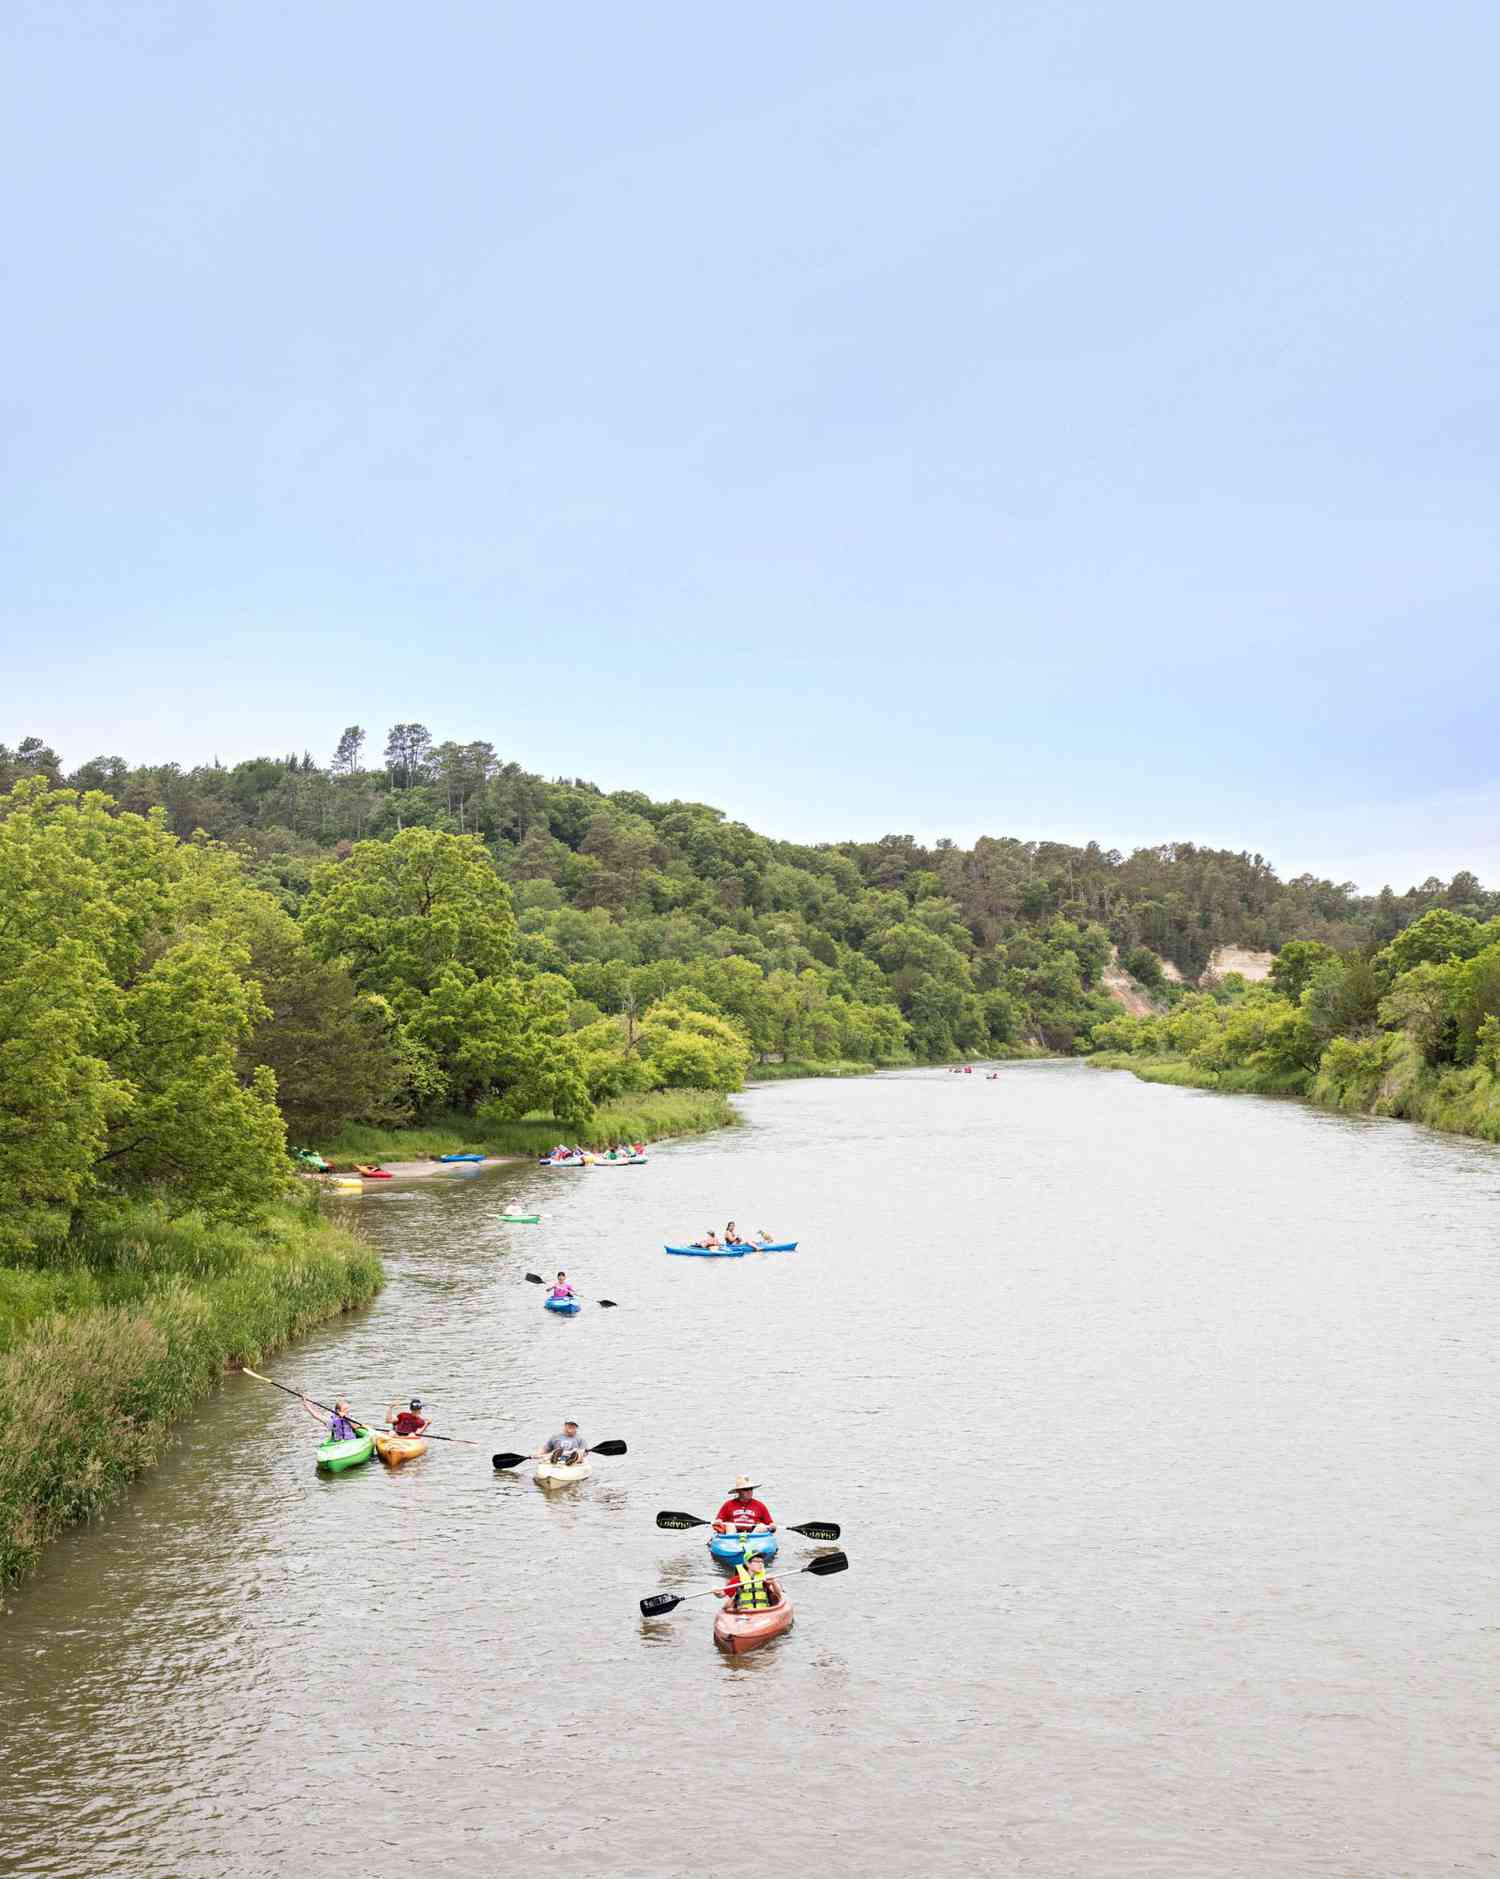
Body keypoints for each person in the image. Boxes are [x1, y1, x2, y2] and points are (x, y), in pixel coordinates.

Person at [716, 1553, 782, 1612]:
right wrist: (717, 1592)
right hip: (744, 1612)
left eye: (762, 1561)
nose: (761, 1564)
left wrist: (774, 1583)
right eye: (757, 1561)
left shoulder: (766, 1578)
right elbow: (721, 1595)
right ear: (748, 1564)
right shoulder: (737, 1579)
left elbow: (778, 1594)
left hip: (763, 1611)